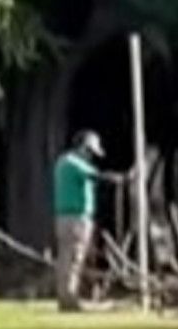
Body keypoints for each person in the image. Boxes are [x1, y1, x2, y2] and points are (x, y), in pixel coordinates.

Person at [52, 131, 127, 311]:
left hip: (66, 218)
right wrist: (120, 179)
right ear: (84, 147)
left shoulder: (63, 162)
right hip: (76, 218)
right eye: (90, 152)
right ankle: (69, 297)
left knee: (68, 257)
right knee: (74, 258)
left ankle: (67, 295)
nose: (91, 157)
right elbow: (97, 176)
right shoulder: (73, 163)